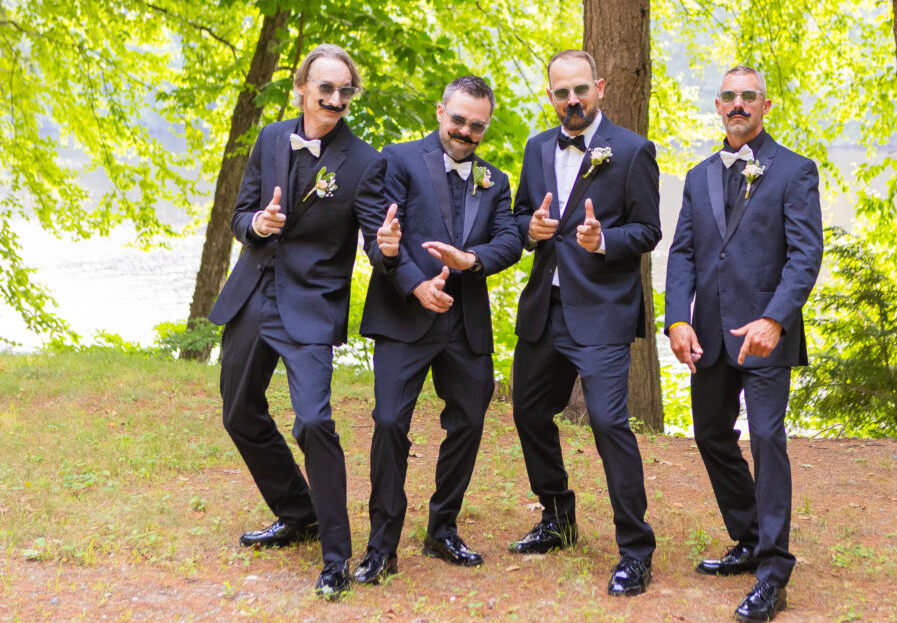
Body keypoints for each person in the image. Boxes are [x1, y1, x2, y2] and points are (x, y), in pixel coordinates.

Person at [208, 44, 400, 600]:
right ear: (302, 88)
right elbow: (242, 215)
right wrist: (258, 224)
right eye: (326, 88)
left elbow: (374, 241)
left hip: (311, 304)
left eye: (345, 90)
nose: (336, 98)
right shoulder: (270, 138)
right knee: (239, 412)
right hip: (252, 295)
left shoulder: (365, 162)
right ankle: (298, 512)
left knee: (313, 422)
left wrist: (389, 251)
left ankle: (336, 555)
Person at [664, 65, 823, 622]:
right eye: (729, 97)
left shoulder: (795, 171)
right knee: (709, 433)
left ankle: (774, 574)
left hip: (764, 336)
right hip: (708, 333)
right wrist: (675, 322)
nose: (738, 105)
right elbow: (682, 253)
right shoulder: (699, 173)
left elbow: (805, 256)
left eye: (748, 97)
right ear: (717, 105)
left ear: (765, 106)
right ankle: (750, 536)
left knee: (766, 436)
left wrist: (776, 319)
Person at [355, 75, 522, 583]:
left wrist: (471, 259)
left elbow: (511, 239)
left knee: (469, 423)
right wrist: (414, 283)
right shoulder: (398, 160)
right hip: (405, 317)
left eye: (477, 126)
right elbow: (380, 236)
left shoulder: (496, 179)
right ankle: (382, 544)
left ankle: (442, 527)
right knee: (389, 424)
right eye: (458, 120)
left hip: (465, 325)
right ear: (439, 112)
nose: (466, 132)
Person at [508, 50, 661, 596]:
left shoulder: (632, 151)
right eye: (560, 92)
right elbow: (520, 214)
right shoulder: (535, 148)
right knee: (526, 410)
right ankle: (558, 519)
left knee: (607, 423)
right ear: (549, 97)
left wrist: (605, 241)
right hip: (544, 311)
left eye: (580, 90)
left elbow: (648, 230)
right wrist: (532, 228)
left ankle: (635, 550)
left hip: (601, 311)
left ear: (598, 87)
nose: (571, 100)